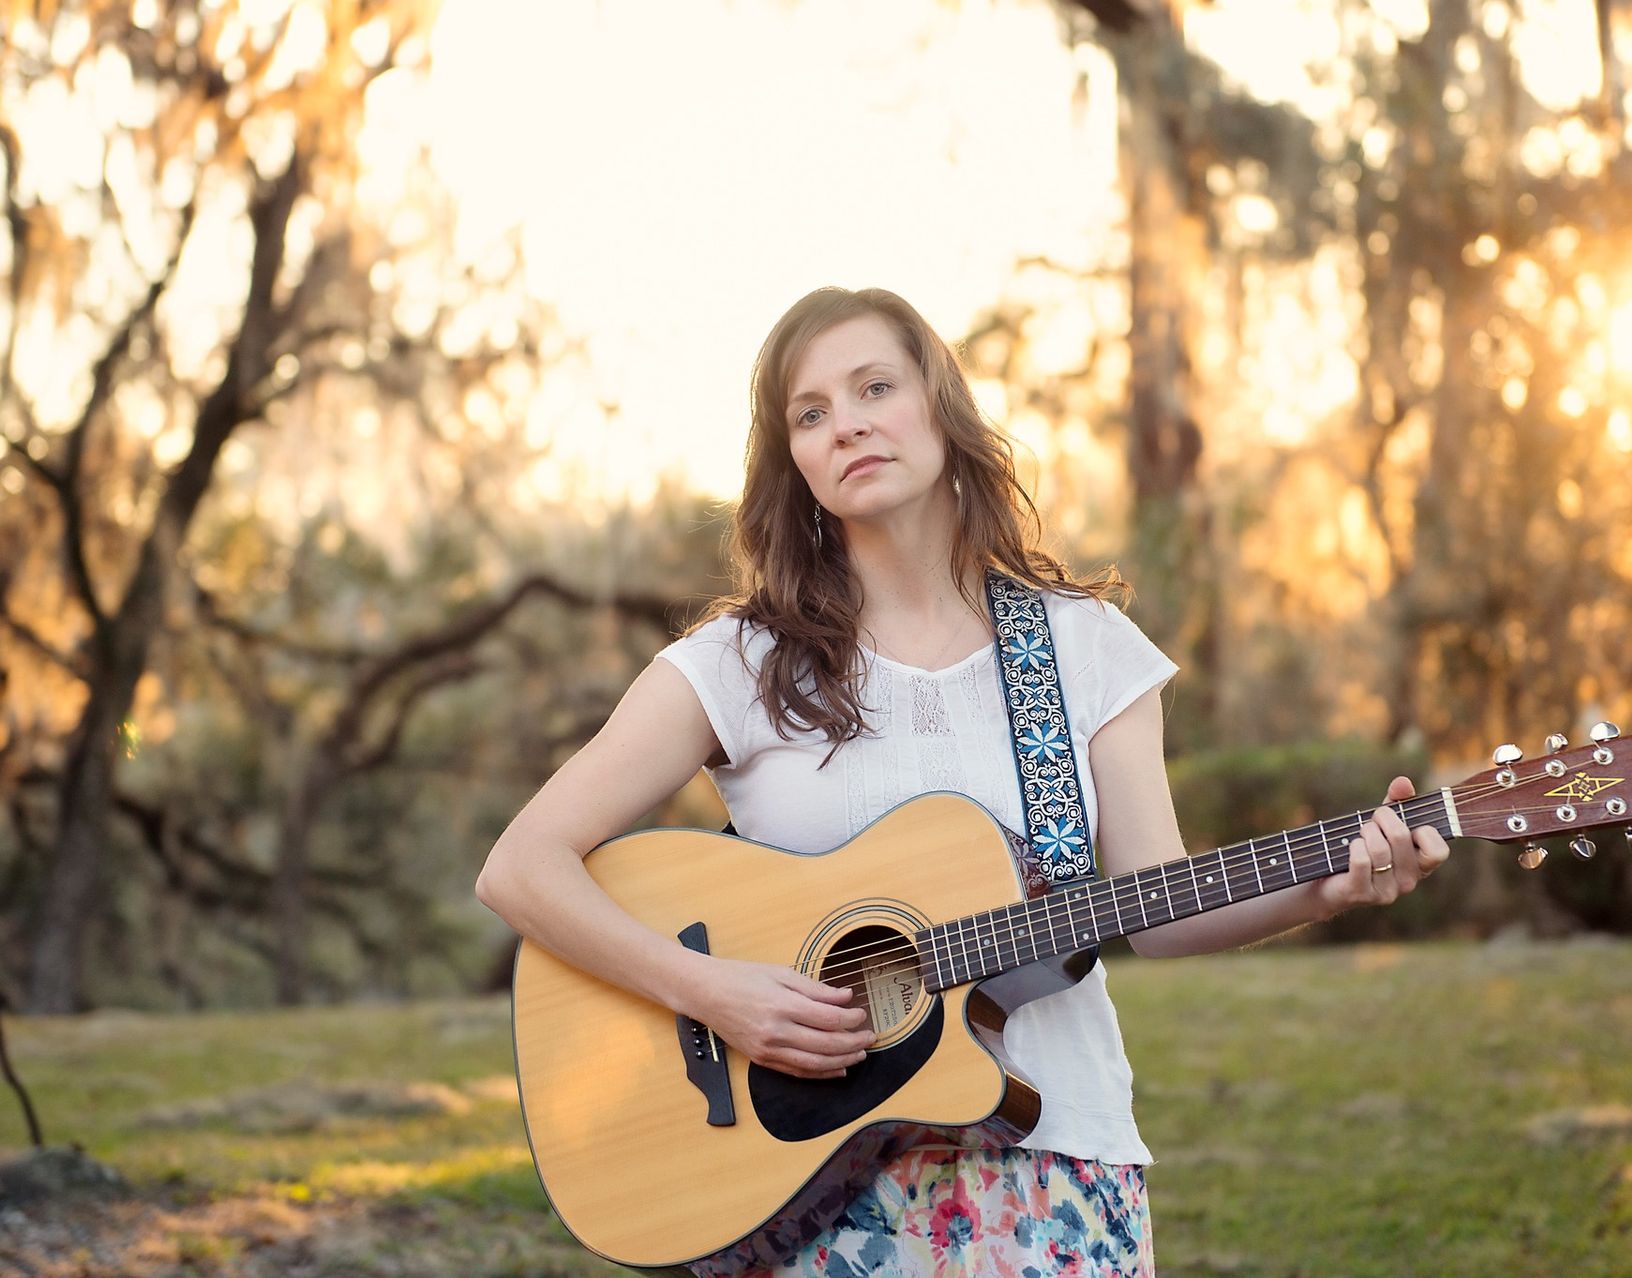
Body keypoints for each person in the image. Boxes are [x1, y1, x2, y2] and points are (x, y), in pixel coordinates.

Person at [474, 286, 1450, 1276]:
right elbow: (521, 867)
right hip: (804, 1196)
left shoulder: (1082, 648)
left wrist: (1335, 883)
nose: (845, 422)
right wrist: (713, 992)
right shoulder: (738, 663)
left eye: (874, 387)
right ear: (796, 464)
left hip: (1056, 1164)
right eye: (809, 414)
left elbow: (1156, 907)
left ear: (941, 406)